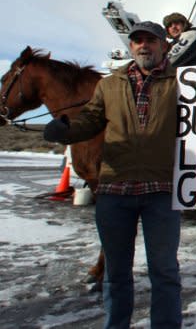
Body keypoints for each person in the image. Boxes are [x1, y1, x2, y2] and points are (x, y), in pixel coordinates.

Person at [44, 21, 182, 328]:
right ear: (131, 46)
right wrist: (65, 131)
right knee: (117, 274)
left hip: (161, 192)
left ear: (164, 45)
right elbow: (91, 121)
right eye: (137, 41)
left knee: (165, 273)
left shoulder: (184, 83)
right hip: (115, 193)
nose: (143, 45)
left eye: (150, 40)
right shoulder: (110, 84)